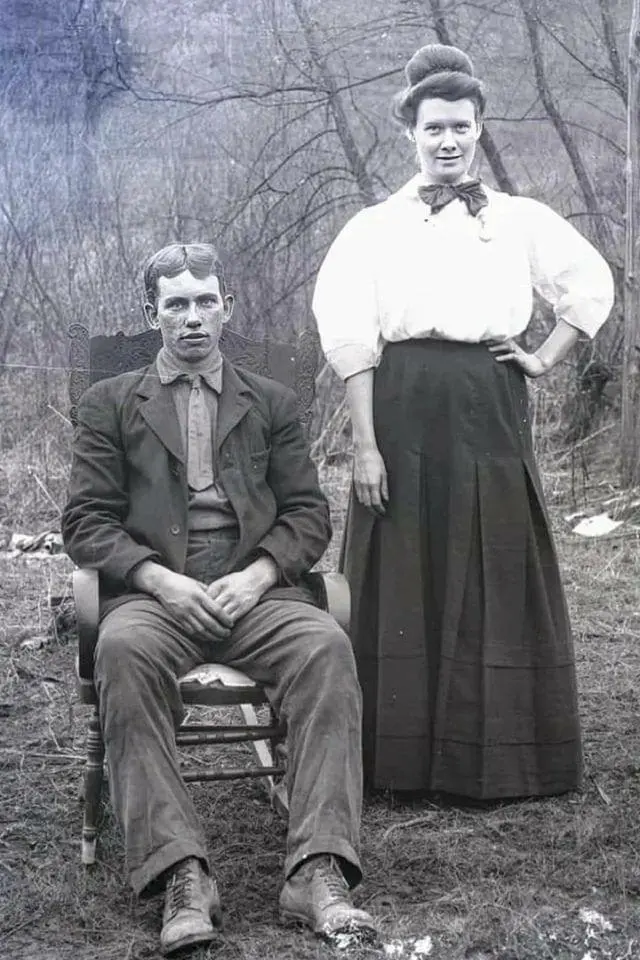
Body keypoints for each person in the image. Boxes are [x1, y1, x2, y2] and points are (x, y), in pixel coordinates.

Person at [312, 45, 614, 800]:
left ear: (480, 131)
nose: (448, 141)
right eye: (433, 127)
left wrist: (544, 356)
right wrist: (366, 444)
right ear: (409, 134)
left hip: (490, 402)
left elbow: (589, 285)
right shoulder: (374, 227)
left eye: (462, 127)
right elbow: (349, 333)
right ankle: (396, 762)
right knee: (402, 564)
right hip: (401, 400)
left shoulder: (518, 219)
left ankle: (505, 761)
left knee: (493, 562)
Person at [62, 242, 377, 956]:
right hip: (156, 593)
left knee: (326, 649)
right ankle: (181, 874)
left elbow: (306, 513)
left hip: (253, 591)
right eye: (177, 303)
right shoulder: (110, 404)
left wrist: (262, 573)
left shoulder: (271, 402)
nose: (194, 317)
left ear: (227, 307)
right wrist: (157, 580)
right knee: (121, 650)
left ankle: (317, 868)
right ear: (153, 315)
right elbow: (86, 520)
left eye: (207, 301)